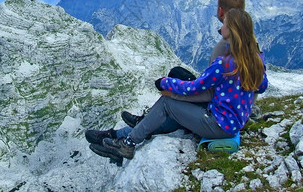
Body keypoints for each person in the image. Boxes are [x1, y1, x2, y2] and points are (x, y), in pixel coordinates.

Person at [91, 9, 268, 160]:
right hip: (234, 122)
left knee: (167, 103)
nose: (221, 28)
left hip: (218, 125)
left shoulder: (224, 65)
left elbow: (194, 88)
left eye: (224, 25)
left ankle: (127, 144)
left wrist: (165, 82)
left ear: (232, 30)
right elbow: (262, 86)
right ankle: (136, 128)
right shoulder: (256, 60)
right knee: (177, 93)